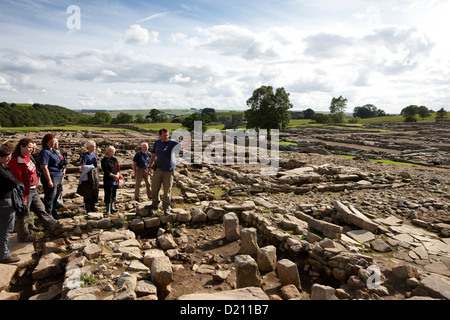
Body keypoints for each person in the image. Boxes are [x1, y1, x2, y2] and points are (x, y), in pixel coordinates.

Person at [8, 138, 61, 240]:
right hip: (24, 191)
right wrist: (22, 194)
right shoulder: (16, 161)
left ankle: (52, 226)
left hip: (33, 189)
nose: (31, 150)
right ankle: (23, 236)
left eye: (32, 148)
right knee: (24, 214)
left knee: (40, 209)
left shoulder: (28, 157)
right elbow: (17, 179)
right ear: (21, 147)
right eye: (29, 147)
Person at [148, 128, 182, 215]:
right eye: (164, 135)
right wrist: (149, 166)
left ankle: (166, 207)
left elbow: (181, 146)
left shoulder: (172, 143)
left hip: (168, 171)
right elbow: (153, 155)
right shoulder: (157, 143)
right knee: (155, 188)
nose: (166, 137)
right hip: (158, 169)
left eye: (167, 135)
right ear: (160, 135)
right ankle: (154, 204)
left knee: (167, 190)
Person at [0, 142, 23, 263]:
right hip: (4, 201)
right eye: (7, 155)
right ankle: (4, 255)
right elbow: (12, 182)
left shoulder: (4, 166)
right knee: (6, 228)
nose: (10, 157)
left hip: (5, 199)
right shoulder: (1, 168)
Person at [39, 134, 64, 220]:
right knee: (50, 196)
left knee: (56, 196)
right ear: (46, 142)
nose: (53, 144)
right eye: (51, 142)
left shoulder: (53, 150)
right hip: (52, 176)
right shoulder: (44, 152)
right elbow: (44, 167)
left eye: (54, 142)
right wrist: (49, 180)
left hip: (58, 175)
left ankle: (53, 212)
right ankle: (48, 215)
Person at [78, 140, 100, 213]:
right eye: (91, 147)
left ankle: (93, 207)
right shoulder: (85, 155)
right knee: (88, 193)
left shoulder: (94, 155)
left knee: (94, 191)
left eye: (94, 147)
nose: (93, 148)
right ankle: (88, 208)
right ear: (88, 148)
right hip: (88, 176)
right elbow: (82, 166)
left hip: (94, 176)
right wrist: (90, 167)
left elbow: (96, 166)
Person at [101, 146, 122, 215]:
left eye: (114, 152)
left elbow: (118, 168)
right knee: (108, 194)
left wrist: (117, 175)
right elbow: (105, 171)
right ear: (108, 152)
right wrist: (113, 176)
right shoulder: (104, 160)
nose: (113, 153)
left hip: (115, 179)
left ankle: (112, 208)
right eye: (112, 152)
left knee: (113, 194)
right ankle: (108, 210)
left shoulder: (114, 159)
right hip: (108, 179)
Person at [54, 138, 67, 209]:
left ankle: (59, 203)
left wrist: (64, 169)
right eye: (54, 143)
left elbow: (65, 161)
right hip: (54, 174)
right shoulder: (49, 151)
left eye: (57, 143)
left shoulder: (61, 150)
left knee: (60, 188)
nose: (56, 144)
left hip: (60, 172)